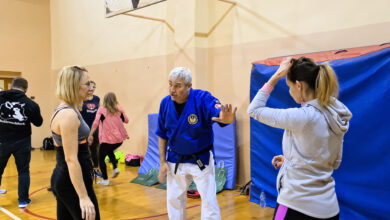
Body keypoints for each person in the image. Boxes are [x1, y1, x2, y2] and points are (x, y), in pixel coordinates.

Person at [247, 57, 352, 220]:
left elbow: (254, 110)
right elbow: (334, 161)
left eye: (289, 86)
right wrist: (291, 161)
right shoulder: (336, 114)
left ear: (299, 85)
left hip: (295, 206)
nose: (290, 91)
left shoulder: (303, 116)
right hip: (330, 209)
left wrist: (276, 76)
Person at [156, 67, 237, 220]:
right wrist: (161, 162)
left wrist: (226, 118)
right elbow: (161, 134)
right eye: (170, 84)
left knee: (208, 201)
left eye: (178, 85)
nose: (172, 89)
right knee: (174, 200)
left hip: (200, 159)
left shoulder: (202, 98)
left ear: (189, 86)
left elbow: (218, 113)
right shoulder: (165, 103)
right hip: (175, 159)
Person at [50, 66, 99, 220]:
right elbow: (71, 159)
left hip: (69, 178)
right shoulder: (68, 115)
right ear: (74, 86)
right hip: (70, 182)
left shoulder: (73, 109)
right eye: (87, 83)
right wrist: (83, 197)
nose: (91, 88)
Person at [0, 77, 43, 208]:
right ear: (26, 89)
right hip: (22, 143)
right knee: (23, 171)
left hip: (2, 141)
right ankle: (23, 200)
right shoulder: (30, 104)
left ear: (11, 86)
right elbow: (38, 122)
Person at [88, 92, 129, 186]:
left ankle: (105, 180)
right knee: (109, 151)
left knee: (100, 158)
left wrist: (90, 134)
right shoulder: (119, 108)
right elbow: (126, 120)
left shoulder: (102, 110)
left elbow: (95, 123)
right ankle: (115, 168)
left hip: (107, 140)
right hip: (118, 140)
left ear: (105, 100)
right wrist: (121, 113)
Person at [80, 80, 102, 178]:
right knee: (84, 149)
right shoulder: (81, 99)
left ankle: (96, 170)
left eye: (93, 87)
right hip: (84, 128)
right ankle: (85, 170)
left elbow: (100, 113)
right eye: (89, 87)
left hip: (94, 128)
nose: (91, 89)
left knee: (94, 149)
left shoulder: (97, 99)